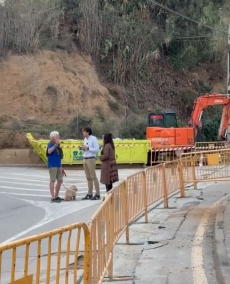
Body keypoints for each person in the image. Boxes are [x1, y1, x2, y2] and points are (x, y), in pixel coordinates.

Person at [81, 126, 101, 200]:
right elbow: (86, 149)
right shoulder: (85, 139)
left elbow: (96, 149)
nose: (82, 132)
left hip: (91, 159)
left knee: (93, 176)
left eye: (83, 131)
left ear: (87, 132)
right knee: (88, 177)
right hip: (85, 158)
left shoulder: (93, 139)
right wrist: (83, 149)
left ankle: (97, 193)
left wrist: (88, 148)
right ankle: (90, 193)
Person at [46, 131, 63, 203]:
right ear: (53, 137)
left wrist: (61, 166)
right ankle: (52, 197)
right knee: (52, 180)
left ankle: (56, 196)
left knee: (60, 180)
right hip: (52, 165)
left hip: (58, 165)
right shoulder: (50, 144)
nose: (58, 137)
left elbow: (59, 156)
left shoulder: (58, 145)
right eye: (57, 136)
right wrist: (55, 145)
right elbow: (49, 151)